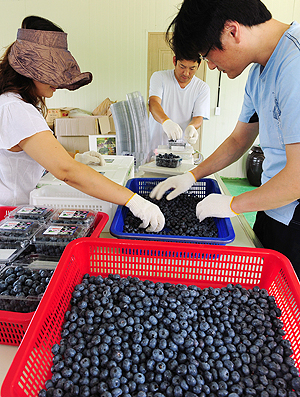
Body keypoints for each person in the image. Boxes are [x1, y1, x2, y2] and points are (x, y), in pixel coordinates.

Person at [150, 0, 300, 276]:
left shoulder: (295, 64)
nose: (212, 65)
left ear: (232, 31)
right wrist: (192, 176)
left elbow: (298, 178)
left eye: (207, 56)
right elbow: (238, 141)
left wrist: (234, 204)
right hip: (270, 206)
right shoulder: (258, 73)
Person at [0, 16, 164, 232]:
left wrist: (77, 157)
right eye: (52, 73)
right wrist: (133, 200)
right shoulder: (17, 110)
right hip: (10, 220)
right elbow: (66, 171)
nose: (58, 83)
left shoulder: (9, 102)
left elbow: (42, 153)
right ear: (30, 70)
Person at [148, 54, 210, 158]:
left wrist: (192, 127)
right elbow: (153, 103)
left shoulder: (202, 88)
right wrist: (166, 121)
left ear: (198, 65)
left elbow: (198, 117)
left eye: (192, 68)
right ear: (174, 61)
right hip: (155, 147)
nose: (186, 73)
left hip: (182, 151)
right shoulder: (160, 77)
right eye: (182, 67)